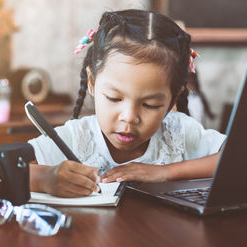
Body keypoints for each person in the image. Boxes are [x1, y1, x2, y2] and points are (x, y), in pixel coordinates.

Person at [28, 9, 226, 198]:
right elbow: (1, 169)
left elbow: (239, 159)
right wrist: (45, 178)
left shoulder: (178, 132)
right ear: (92, 82)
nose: (129, 117)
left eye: (150, 105)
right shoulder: (77, 137)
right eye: (114, 98)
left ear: (172, 100)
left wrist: (164, 172)